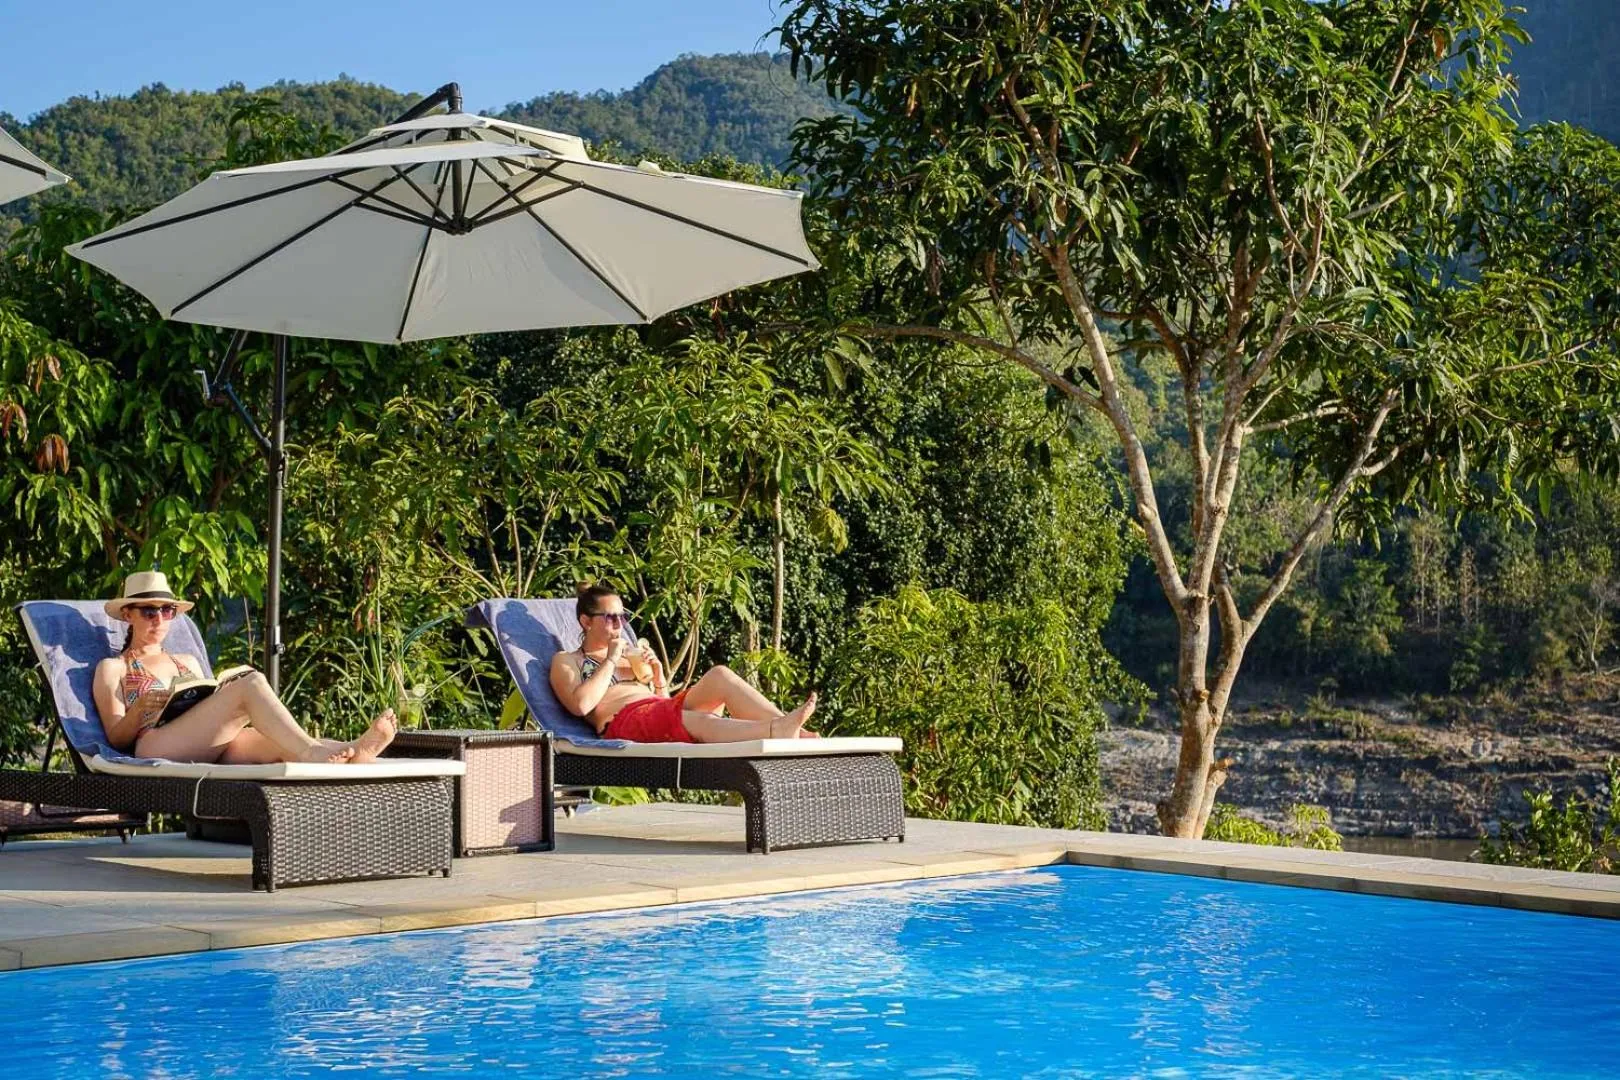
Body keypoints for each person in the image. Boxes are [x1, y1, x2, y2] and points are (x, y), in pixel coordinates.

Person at [91, 570, 397, 764]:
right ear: (128, 615)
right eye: (149, 611)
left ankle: (355, 750)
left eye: (167, 611)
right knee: (250, 684)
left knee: (278, 744)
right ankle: (313, 750)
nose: (159, 619)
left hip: (206, 744)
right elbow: (117, 739)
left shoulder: (185, 661)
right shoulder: (114, 668)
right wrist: (140, 708)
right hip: (155, 744)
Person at [550, 584, 818, 743]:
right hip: (622, 722)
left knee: (719, 675)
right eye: (610, 618)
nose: (619, 625)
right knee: (695, 719)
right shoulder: (567, 660)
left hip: (655, 710)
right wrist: (609, 659)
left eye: (623, 617)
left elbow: (663, 702)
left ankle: (796, 732)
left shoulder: (629, 655)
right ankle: (775, 731)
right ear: (586, 621)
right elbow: (581, 705)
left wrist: (658, 678)